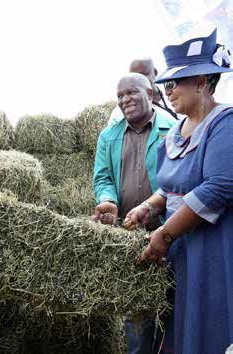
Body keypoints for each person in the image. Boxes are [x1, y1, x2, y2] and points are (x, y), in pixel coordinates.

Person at [123, 29, 233, 354]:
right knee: (177, 329)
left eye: (175, 82)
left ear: (201, 82)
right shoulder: (174, 132)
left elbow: (218, 187)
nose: (167, 90)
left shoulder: (224, 124)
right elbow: (171, 187)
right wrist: (150, 205)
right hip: (179, 248)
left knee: (209, 323)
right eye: (165, 83)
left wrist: (166, 234)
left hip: (211, 247)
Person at [93, 72, 175, 354]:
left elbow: (176, 183)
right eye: (120, 95)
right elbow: (102, 178)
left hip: (169, 232)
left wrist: (153, 208)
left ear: (150, 94)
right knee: (138, 318)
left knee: (173, 311)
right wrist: (108, 200)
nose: (125, 99)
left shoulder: (172, 129)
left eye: (131, 92)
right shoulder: (109, 136)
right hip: (131, 237)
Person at [108, 57, 177, 127]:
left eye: (143, 74)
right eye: (133, 77)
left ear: (155, 72)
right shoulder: (120, 113)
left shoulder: (175, 96)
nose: (139, 80)